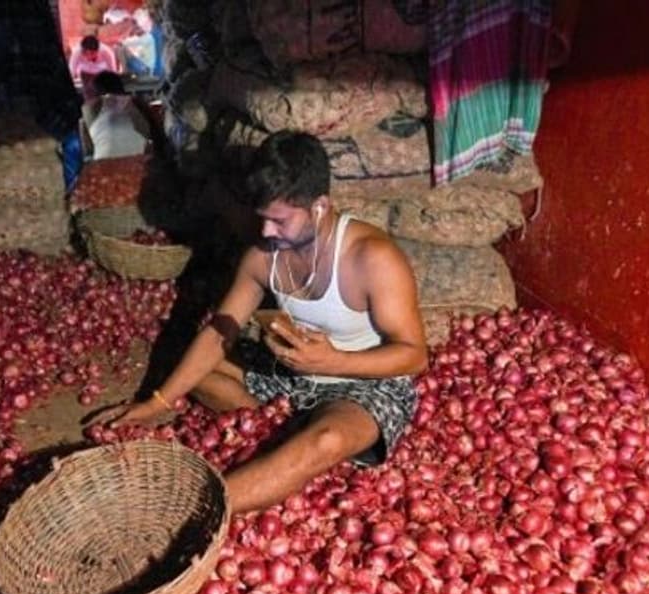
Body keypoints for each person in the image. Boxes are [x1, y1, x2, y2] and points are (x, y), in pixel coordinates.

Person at [92, 131, 427, 514]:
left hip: (364, 384)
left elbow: (415, 356)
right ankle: (287, 442)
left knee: (328, 441)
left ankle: (191, 509)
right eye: (262, 219)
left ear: (319, 207)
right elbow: (219, 331)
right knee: (194, 371)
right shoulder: (262, 256)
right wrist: (158, 403)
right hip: (293, 374)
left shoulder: (372, 257)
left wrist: (334, 362)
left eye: (279, 221)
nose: (267, 232)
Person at [81, 71, 151, 159]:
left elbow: (87, 150)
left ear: (96, 90)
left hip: (104, 166)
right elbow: (150, 134)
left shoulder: (90, 108)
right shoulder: (138, 104)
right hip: (138, 164)